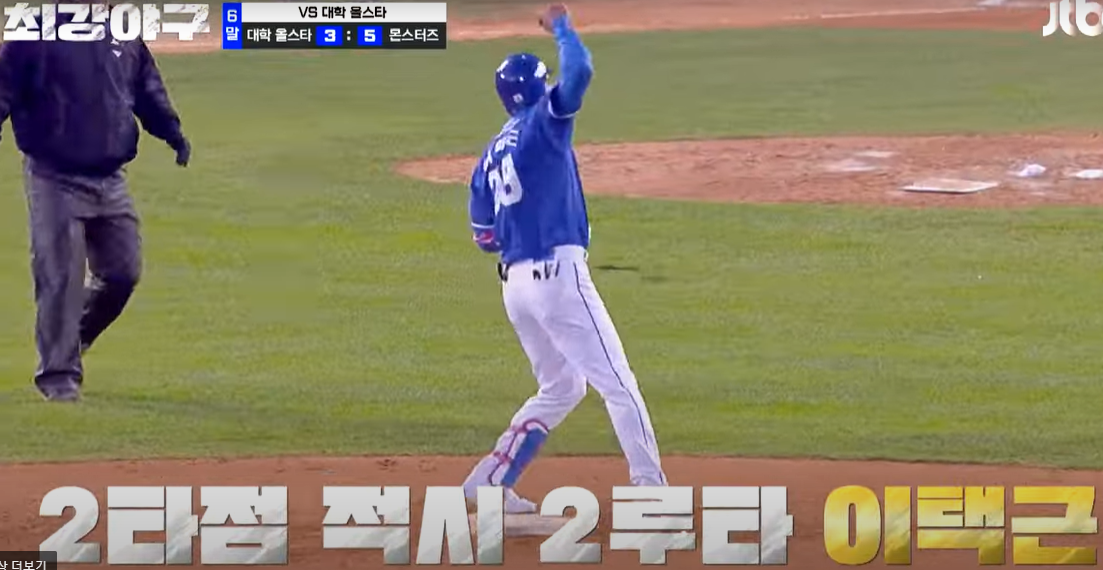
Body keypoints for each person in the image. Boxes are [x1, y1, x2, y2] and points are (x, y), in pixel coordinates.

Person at [462, 3, 667, 512]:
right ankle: (651, 492)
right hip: (557, 278)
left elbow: (484, 236)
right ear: (538, 89)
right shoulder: (543, 123)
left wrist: (525, 224)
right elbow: (581, 72)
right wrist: (561, 26)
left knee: (561, 385)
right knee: (618, 384)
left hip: (515, 286)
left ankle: (489, 481)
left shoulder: (490, 154)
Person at [0, 17, 191, 402]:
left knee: (123, 272)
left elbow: (146, 88)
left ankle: (74, 340)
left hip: (110, 176)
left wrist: (172, 132)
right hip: (53, 177)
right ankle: (58, 376)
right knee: (61, 277)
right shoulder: (33, 33)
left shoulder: (123, 32)